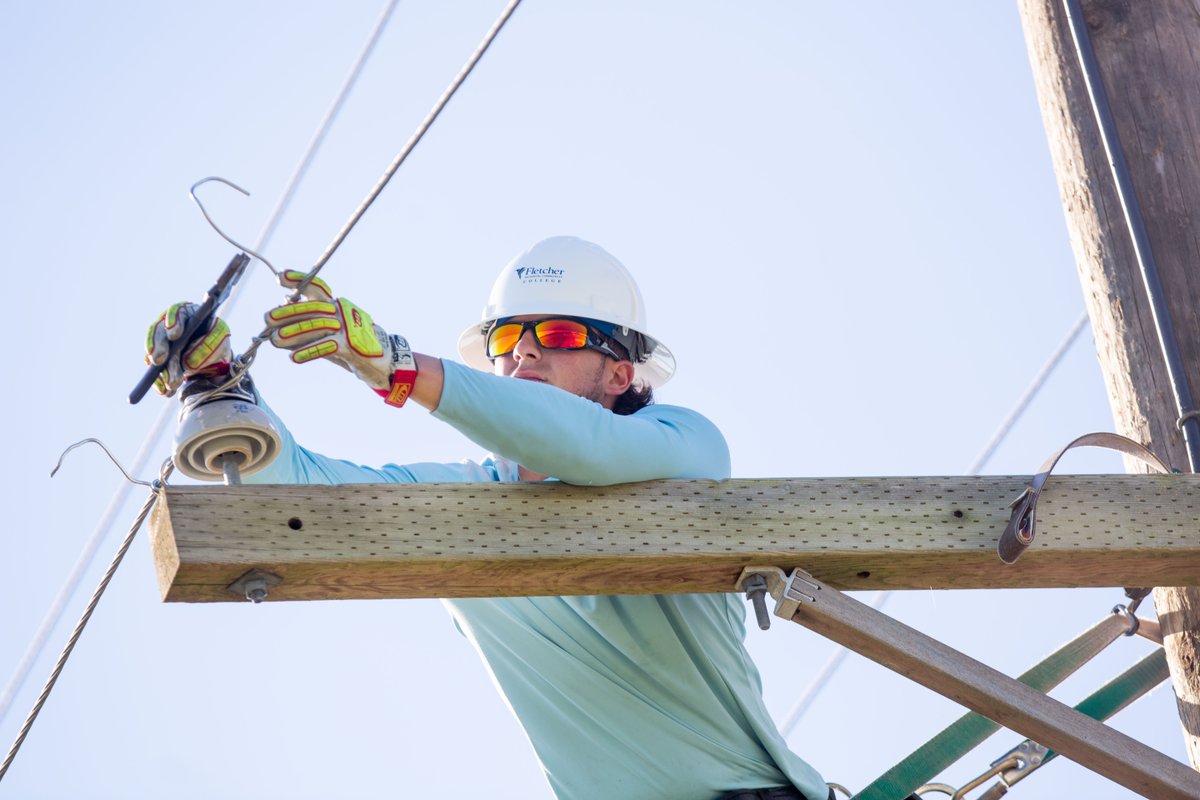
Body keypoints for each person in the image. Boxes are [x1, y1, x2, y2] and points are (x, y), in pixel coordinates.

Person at [147, 235, 832, 800]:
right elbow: (300, 501)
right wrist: (218, 386)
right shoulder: (462, 512)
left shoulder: (684, 450)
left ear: (620, 374)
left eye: (561, 334)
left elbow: (580, 443)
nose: (525, 351)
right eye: (507, 339)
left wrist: (397, 365)